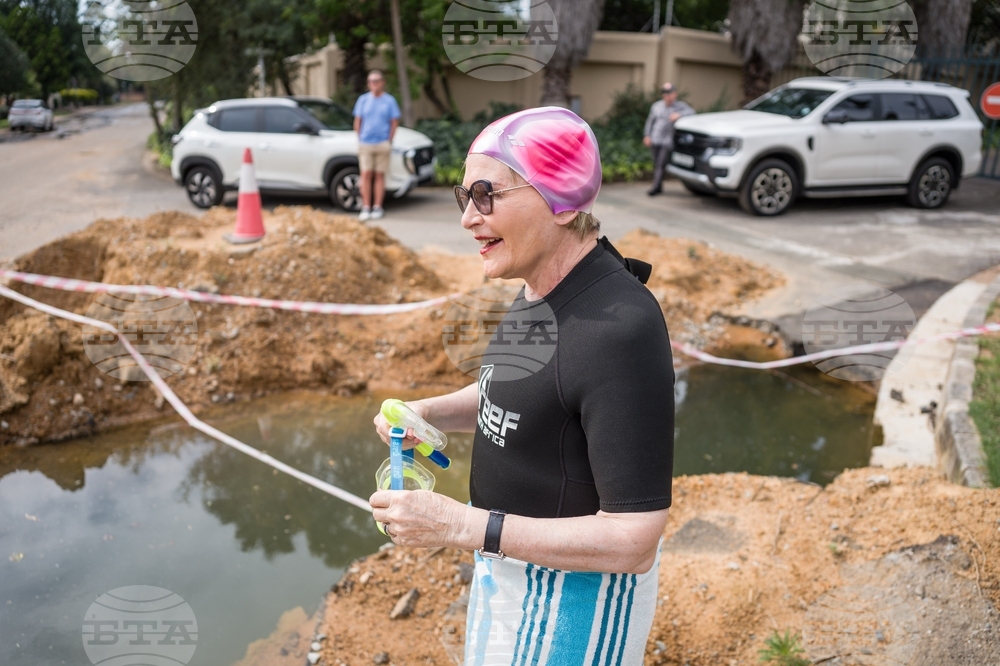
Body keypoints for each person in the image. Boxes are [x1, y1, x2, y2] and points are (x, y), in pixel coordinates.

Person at [370, 107, 675, 664]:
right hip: (506, 569)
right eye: (464, 198)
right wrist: (427, 411)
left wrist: (463, 525)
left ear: (560, 199)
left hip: (573, 603)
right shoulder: (539, 284)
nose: (468, 218)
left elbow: (634, 538)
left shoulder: (620, 328)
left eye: (486, 194)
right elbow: (514, 392)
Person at [352, 70, 400, 221]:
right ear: (368, 83)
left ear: (382, 82)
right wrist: (359, 138)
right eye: (371, 81)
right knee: (366, 174)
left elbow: (394, 122)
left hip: (382, 143)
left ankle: (377, 207)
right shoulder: (363, 100)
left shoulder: (389, 101)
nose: (374, 83)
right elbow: (358, 121)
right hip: (366, 143)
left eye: (377, 80)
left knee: (379, 175)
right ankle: (366, 207)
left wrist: (389, 140)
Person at [643, 82, 695, 196]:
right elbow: (650, 122)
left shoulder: (679, 106)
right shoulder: (656, 106)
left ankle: (655, 187)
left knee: (661, 164)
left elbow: (692, 112)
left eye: (669, 93)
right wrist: (647, 135)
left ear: (674, 94)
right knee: (657, 163)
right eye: (664, 93)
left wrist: (679, 115)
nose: (666, 96)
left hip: (667, 140)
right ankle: (659, 185)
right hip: (655, 138)